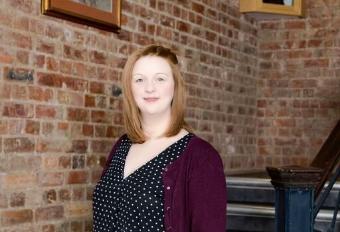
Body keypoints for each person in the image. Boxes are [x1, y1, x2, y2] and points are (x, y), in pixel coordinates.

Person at [93, 44, 227, 232]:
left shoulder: (201, 157)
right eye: (139, 80)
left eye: (160, 79)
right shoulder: (121, 146)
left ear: (175, 86)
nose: (149, 88)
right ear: (129, 88)